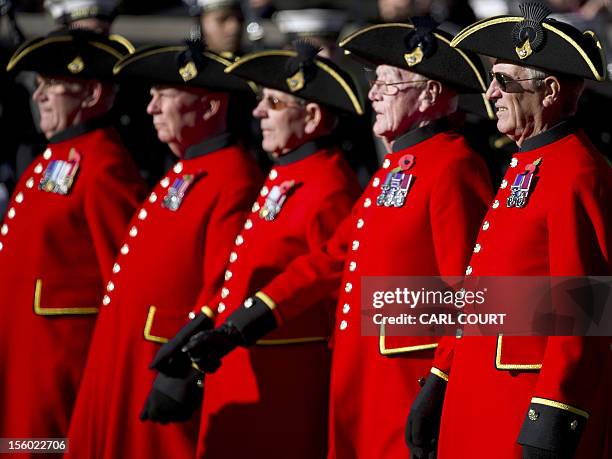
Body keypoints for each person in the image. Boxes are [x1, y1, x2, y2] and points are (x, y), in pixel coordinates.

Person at [157, 18, 494, 458]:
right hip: (361, 377)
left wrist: (441, 382)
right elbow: (332, 259)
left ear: (429, 94)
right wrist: (243, 323)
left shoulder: (454, 165)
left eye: (388, 84)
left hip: (403, 378)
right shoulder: (397, 167)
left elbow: (470, 294)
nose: (372, 92)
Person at [408, 2, 611, 458]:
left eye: (503, 81)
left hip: (521, 402)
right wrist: (441, 379)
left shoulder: (577, 170)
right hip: (479, 394)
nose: (490, 94)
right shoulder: (527, 164)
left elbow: (585, 307)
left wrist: (553, 418)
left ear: (551, 89)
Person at [147, 41, 364, 458]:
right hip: (243, 363)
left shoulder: (329, 184)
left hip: (285, 377)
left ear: (313, 116)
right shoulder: (288, 173)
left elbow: (334, 294)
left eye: (275, 104)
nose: (258, 112)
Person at [65, 40, 262, 459]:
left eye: (165, 96)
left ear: (208, 107)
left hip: (160, 357)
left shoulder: (233, 176)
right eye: (152, 96)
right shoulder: (185, 168)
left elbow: (221, 286)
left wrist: (187, 370)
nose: (151, 108)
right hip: (126, 355)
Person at [0, 29, 145, 448]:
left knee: (43, 447)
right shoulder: (51, 157)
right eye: (38, 85)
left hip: (61, 360)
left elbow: (121, 276)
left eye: (52, 86)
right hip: (25, 349)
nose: (38, 96)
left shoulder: (103, 165)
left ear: (92, 94)